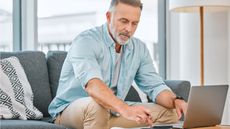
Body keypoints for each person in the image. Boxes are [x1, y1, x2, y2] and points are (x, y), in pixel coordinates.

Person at [48, 0, 187, 129]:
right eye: (124, 21)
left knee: (171, 114)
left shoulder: (139, 49)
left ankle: (104, 123)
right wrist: (126, 110)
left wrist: (176, 101)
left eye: (134, 23)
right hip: (71, 110)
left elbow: (155, 86)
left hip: (113, 111)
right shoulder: (86, 41)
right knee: (96, 107)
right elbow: (93, 85)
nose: (129, 29)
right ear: (109, 17)